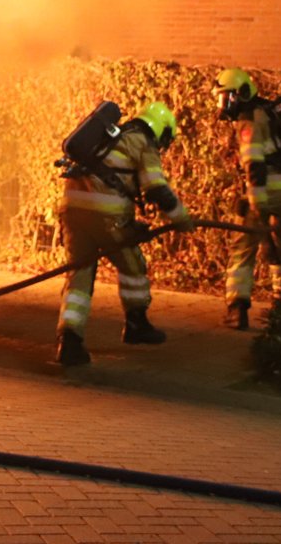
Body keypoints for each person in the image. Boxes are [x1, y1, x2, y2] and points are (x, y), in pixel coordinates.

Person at [53, 101, 195, 367]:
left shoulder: (110, 135)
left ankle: (69, 341)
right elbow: (157, 190)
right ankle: (136, 324)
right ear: (161, 129)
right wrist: (182, 219)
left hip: (71, 210)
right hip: (107, 216)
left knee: (79, 275)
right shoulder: (143, 143)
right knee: (133, 264)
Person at [215, 67, 281, 330]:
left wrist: (255, 202)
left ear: (241, 94)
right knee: (279, 245)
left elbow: (254, 163)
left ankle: (236, 309)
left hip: (268, 188)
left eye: (227, 97)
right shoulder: (269, 112)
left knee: (243, 246)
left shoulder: (249, 120)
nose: (223, 104)